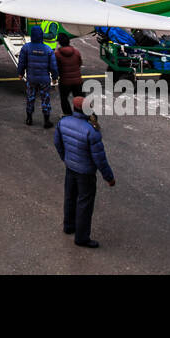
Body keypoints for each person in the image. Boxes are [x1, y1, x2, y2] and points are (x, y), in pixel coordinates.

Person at [54, 95, 115, 248]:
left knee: (70, 197)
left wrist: (65, 158)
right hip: (86, 173)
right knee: (84, 203)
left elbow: (58, 143)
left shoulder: (63, 122)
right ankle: (81, 237)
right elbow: (100, 159)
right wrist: (109, 178)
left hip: (70, 167)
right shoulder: (91, 131)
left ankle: (69, 226)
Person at [17, 25, 58, 127]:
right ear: (41, 35)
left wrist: (20, 73)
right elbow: (53, 66)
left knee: (30, 98)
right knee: (45, 99)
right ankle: (46, 121)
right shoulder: (48, 49)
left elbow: (21, 62)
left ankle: (29, 119)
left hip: (31, 79)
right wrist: (54, 77)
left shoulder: (26, 47)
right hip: (44, 79)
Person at [55, 32, 83, 117]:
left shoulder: (57, 54)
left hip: (65, 81)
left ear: (59, 42)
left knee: (64, 98)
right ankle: (78, 114)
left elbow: (56, 67)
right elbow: (80, 63)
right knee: (79, 98)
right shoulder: (76, 52)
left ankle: (67, 113)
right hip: (78, 81)